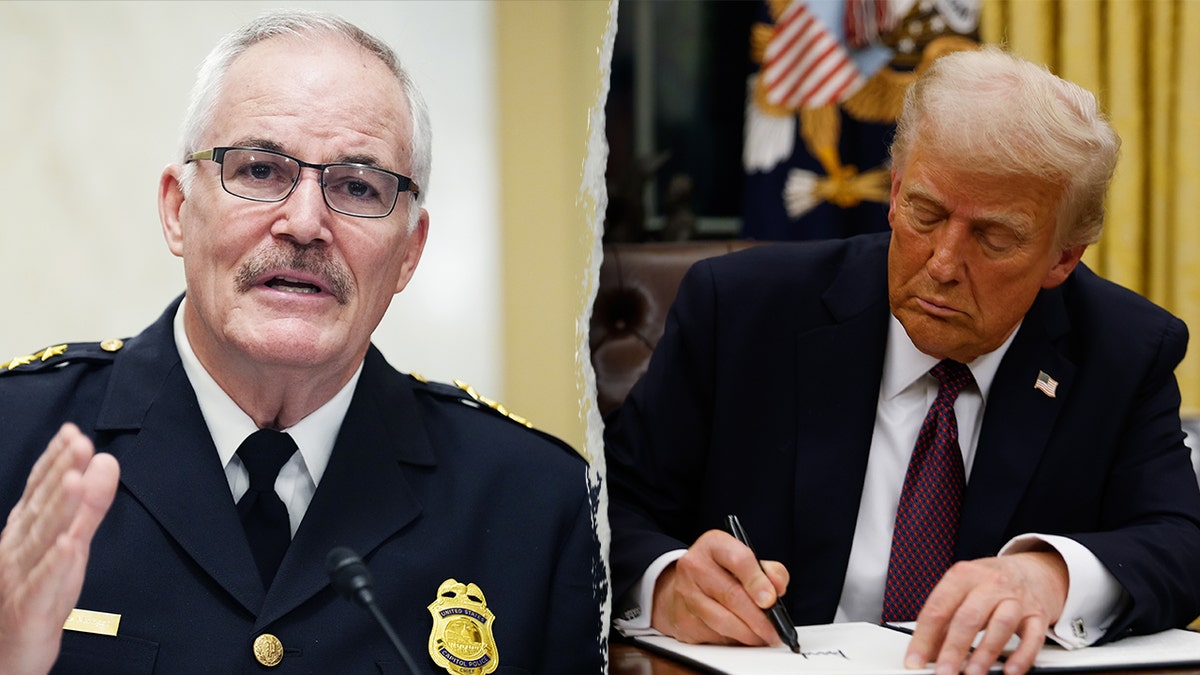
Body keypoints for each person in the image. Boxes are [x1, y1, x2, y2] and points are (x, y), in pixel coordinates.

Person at [0, 10, 602, 674]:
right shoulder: (14, 438)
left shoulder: (535, 504)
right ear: (178, 209)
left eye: (357, 186)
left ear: (410, 252)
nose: (307, 223)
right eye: (260, 170)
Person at [605, 46, 1200, 675]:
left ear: (1062, 258)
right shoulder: (743, 312)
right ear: (893, 193)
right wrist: (667, 584)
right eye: (925, 213)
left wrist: (1047, 575)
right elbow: (609, 507)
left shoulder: (1122, 349)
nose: (942, 264)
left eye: (993, 238)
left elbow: (1180, 543)